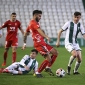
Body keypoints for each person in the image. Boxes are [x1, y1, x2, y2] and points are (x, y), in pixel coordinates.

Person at [22, 10, 58, 77]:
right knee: (48, 58)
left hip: (42, 43)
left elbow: (25, 33)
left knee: (55, 53)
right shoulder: (33, 23)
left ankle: (47, 67)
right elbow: (39, 31)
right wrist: (46, 37)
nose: (40, 17)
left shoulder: (33, 23)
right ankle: (37, 72)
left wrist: (24, 44)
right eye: (39, 16)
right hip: (39, 44)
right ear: (35, 15)